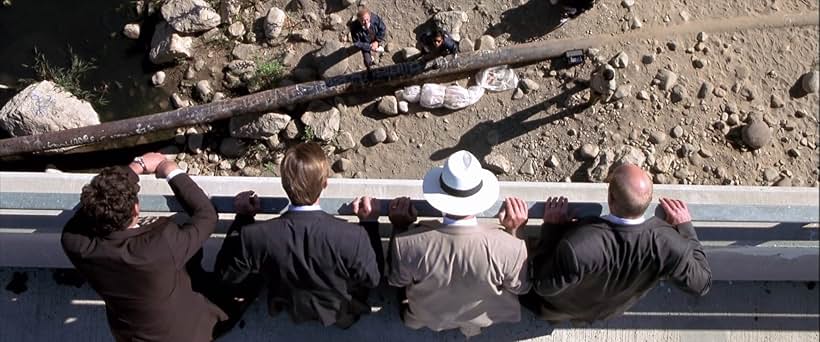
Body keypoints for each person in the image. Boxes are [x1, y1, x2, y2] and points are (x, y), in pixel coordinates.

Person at [214, 142, 382, 330]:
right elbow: (373, 278)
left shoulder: (254, 237)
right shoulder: (352, 237)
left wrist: (243, 219)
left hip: (289, 301)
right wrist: (370, 224)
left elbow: (227, 275)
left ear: (284, 184)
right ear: (325, 183)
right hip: (337, 307)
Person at [61, 153, 227, 341]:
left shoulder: (76, 243)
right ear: (135, 210)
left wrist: (133, 170)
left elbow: (87, 212)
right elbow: (207, 215)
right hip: (187, 333)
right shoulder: (161, 245)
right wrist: (169, 170)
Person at [524, 163, 712, 325]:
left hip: (561, 306)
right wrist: (686, 228)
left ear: (610, 198)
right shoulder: (667, 244)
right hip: (608, 310)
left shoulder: (579, 244)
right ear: (649, 199)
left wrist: (551, 229)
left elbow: (543, 285)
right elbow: (702, 284)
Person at [387, 150, 531, 337]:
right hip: (486, 317)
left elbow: (396, 280)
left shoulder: (407, 245)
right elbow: (522, 287)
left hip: (429, 317)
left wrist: (400, 228)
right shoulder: (510, 248)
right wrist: (516, 232)